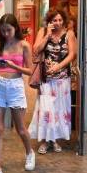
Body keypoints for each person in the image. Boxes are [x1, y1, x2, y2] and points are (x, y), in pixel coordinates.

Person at [0, 14, 35, 173]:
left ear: (16, 28)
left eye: (9, 30)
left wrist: (13, 66)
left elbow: (30, 71)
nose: (6, 34)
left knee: (21, 129)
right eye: (3, 30)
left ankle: (29, 152)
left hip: (15, 87)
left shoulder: (24, 45)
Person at [29, 9, 77, 154]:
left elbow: (72, 54)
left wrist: (58, 66)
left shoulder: (69, 34)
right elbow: (35, 50)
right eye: (54, 20)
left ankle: (54, 139)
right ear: (49, 21)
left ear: (64, 21)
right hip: (46, 79)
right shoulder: (43, 31)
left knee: (58, 110)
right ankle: (44, 141)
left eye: (60, 20)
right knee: (46, 109)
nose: (57, 23)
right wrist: (47, 36)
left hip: (62, 79)